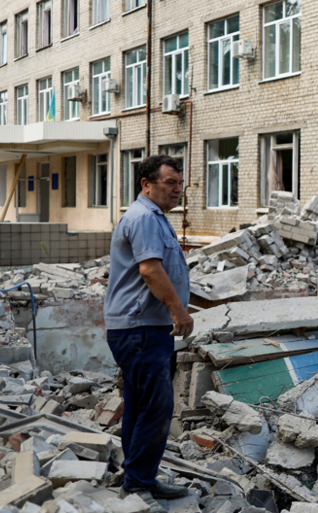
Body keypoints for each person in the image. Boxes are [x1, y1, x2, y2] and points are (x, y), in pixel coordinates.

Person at [104, 155, 193, 512]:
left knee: (141, 405)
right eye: (169, 182)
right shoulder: (143, 218)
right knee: (158, 406)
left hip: (145, 328)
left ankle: (139, 476)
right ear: (146, 184)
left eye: (179, 183)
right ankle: (137, 484)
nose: (177, 189)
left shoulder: (154, 218)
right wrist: (178, 311)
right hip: (140, 328)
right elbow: (150, 270)